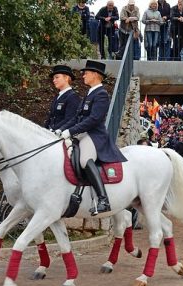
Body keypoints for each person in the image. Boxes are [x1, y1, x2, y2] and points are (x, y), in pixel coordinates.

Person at [56, 60, 128, 215]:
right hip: (82, 133)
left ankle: (103, 199)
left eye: (86, 73)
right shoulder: (88, 93)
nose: (83, 75)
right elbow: (76, 117)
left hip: (94, 136)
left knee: (84, 160)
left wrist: (71, 131)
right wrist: (60, 130)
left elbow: (93, 120)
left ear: (95, 75)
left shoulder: (102, 94)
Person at [44, 65, 80, 132]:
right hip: (50, 133)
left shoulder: (72, 97)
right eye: (53, 78)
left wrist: (54, 129)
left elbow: (69, 119)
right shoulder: (58, 96)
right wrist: (44, 130)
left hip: (61, 134)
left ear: (66, 78)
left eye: (57, 77)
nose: (54, 80)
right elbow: (51, 117)